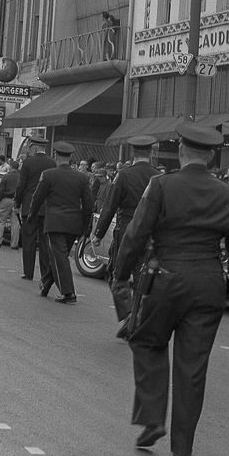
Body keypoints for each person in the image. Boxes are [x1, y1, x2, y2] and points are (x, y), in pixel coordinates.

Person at [113, 123, 229, 456]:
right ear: (212, 156)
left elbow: (136, 233)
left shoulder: (161, 185)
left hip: (166, 276)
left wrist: (120, 273)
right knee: (193, 366)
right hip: (208, 280)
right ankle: (183, 445)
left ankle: (151, 417)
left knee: (146, 341)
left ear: (180, 151)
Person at [94, 135, 156, 331]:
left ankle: (129, 316)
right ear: (151, 153)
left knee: (117, 275)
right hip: (151, 234)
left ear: (133, 152)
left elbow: (110, 206)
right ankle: (138, 318)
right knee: (141, 276)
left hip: (127, 229)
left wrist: (98, 233)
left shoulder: (124, 175)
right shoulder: (158, 177)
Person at [29, 142, 93, 304]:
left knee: (59, 256)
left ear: (56, 155)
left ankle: (68, 292)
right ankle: (46, 284)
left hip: (55, 222)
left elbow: (37, 198)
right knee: (59, 255)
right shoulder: (82, 177)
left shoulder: (48, 174)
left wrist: (31, 215)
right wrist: (86, 226)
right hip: (74, 224)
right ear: (71, 158)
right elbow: (88, 205)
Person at [15, 136, 56, 281]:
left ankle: (28, 272)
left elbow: (21, 186)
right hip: (46, 208)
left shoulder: (28, 162)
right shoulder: (52, 163)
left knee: (29, 240)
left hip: (29, 206)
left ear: (33, 147)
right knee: (45, 243)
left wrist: (17, 204)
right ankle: (45, 273)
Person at [0, 157, 20, 247]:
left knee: (0, 220)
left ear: (11, 167)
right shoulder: (21, 177)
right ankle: (14, 244)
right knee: (15, 223)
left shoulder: (6, 176)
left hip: (6, 199)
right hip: (16, 200)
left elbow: (1, 189)